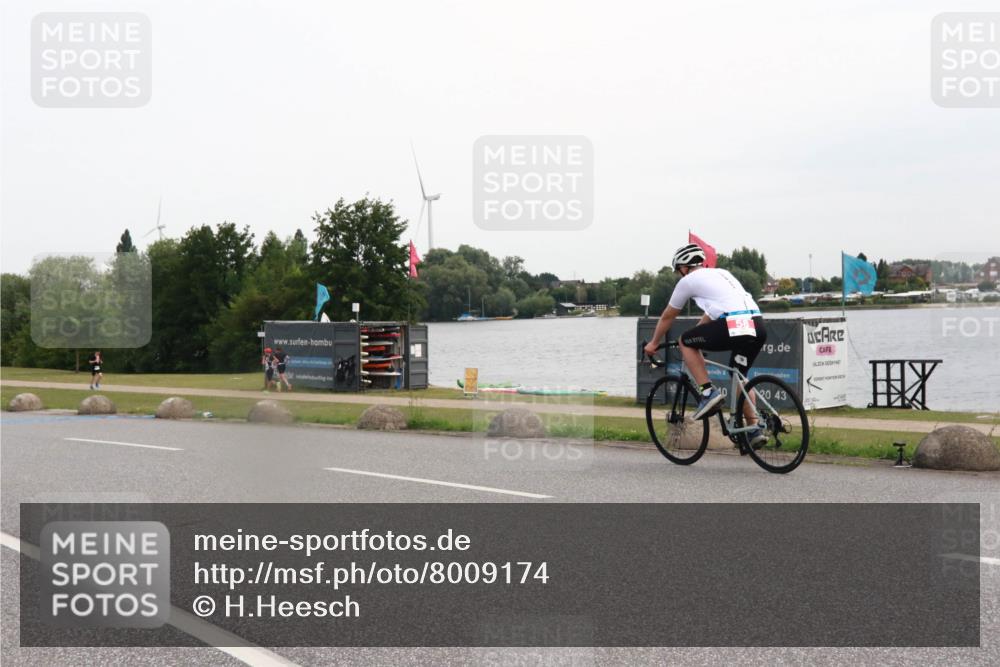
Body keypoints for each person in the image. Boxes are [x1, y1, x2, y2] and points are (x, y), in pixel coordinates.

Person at [643, 243, 768, 446]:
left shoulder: (688, 281)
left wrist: (654, 343)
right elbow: (710, 315)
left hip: (732, 324)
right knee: (739, 375)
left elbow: (668, 316)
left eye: (678, 270)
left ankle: (708, 393)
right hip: (757, 325)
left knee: (685, 340)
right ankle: (754, 429)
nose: (679, 274)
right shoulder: (722, 274)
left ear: (684, 267)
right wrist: (697, 339)